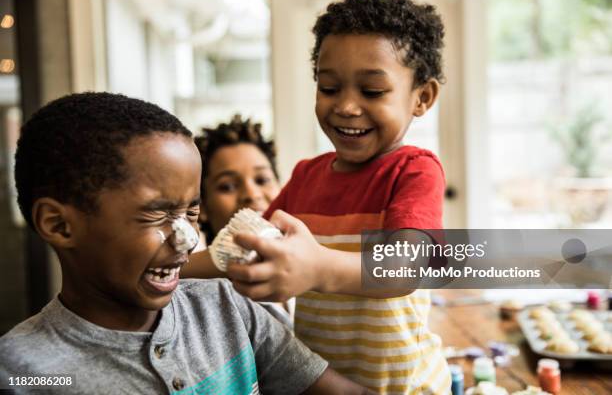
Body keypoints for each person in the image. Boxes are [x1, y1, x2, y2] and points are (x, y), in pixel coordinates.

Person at [0, 92, 373, 394]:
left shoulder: (229, 309)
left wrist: (322, 267)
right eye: (156, 214)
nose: (187, 238)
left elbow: (431, 261)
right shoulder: (22, 373)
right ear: (59, 225)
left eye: (190, 211)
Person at [190, 0, 452, 393]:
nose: (346, 106)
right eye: (329, 87)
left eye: (372, 91)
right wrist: (170, 269)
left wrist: (317, 267)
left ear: (422, 97)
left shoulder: (414, 171)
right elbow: (236, 247)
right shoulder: (305, 177)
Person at [183, 115, 292, 326]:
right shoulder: (198, 301)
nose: (251, 194)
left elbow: (375, 272)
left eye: (262, 180)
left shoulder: (308, 267)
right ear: (201, 206)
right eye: (227, 186)